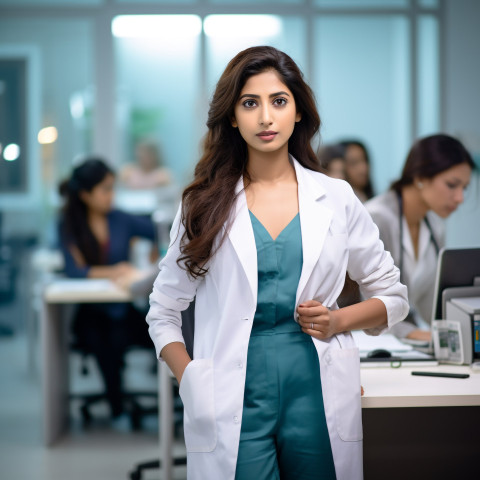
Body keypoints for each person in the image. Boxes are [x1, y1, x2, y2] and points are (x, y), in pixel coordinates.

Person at [146, 46, 408, 480]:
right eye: (250, 103)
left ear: (298, 112)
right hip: (233, 398)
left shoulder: (336, 197)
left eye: (279, 101)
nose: (265, 117)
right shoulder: (204, 205)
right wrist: (189, 377)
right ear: (232, 117)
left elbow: (392, 295)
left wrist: (339, 322)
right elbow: (163, 309)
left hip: (316, 392)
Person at [58, 157, 156, 423]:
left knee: (160, 332)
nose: (111, 196)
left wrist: (154, 255)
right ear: (85, 194)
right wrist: (113, 271)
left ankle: (171, 406)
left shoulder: (120, 219)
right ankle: (117, 407)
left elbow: (157, 231)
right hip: (90, 313)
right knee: (104, 335)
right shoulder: (70, 224)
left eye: (113, 188)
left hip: (123, 309)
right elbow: (74, 270)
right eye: (105, 189)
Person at [365, 134, 474, 341]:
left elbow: (431, 305)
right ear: (420, 178)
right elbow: (367, 306)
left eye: (464, 188)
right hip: (367, 343)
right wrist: (424, 336)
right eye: (452, 185)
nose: (459, 198)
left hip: (401, 343)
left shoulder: (435, 227)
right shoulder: (376, 218)